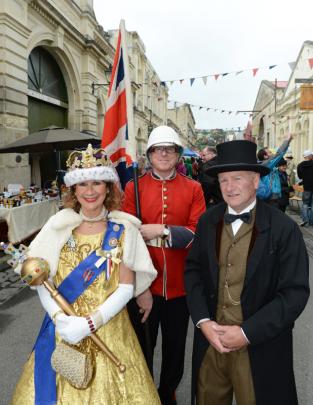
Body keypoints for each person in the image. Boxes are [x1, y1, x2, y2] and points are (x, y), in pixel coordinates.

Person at [11, 144, 161, 405]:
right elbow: (41, 282)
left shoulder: (123, 228)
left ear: (108, 188)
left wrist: (89, 323)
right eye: (82, 185)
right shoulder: (58, 226)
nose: (90, 191)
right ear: (73, 190)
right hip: (63, 330)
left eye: (96, 183)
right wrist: (59, 319)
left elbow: (126, 288)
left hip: (109, 329)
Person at [185, 140, 310, 405]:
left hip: (259, 346)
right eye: (223, 180)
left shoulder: (284, 228)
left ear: (255, 181)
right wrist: (203, 322)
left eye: (237, 179)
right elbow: (193, 272)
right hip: (211, 345)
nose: (229, 187)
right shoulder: (208, 221)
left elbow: (294, 293)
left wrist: (246, 333)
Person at [122, 125, 206, 405]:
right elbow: (125, 239)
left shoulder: (193, 188)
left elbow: (197, 233)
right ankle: (144, 392)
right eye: (158, 149)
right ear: (149, 154)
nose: (164, 154)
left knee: (175, 348)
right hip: (144, 284)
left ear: (178, 154)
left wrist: (162, 230)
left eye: (170, 149)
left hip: (180, 286)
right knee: (143, 345)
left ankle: (167, 392)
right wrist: (138, 286)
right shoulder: (134, 187)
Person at [257, 134, 293, 206]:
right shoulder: (267, 164)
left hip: (272, 196)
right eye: (269, 152)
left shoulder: (266, 165)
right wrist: (287, 140)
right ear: (265, 156)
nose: (272, 153)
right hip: (270, 197)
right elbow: (279, 154)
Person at [297, 150, 313, 227]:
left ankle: (305, 219)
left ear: (305, 157)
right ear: (310, 156)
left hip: (307, 188)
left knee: (305, 204)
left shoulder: (300, 165)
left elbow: (300, 177)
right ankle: (311, 221)